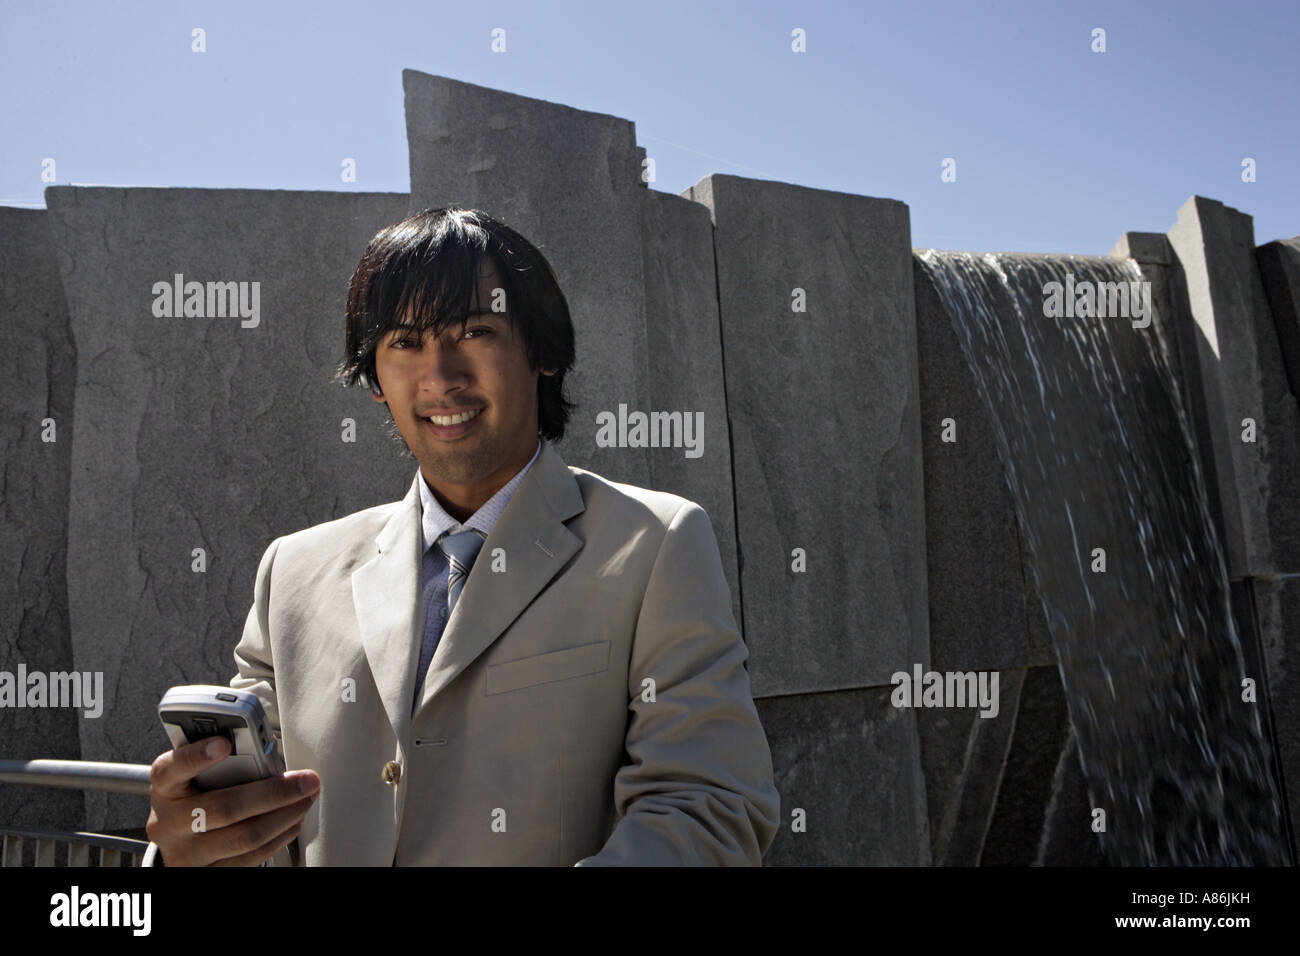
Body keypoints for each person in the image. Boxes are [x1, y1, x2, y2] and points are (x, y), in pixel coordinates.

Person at [145, 207, 779, 865]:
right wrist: (193, 840)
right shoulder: (292, 572)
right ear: (374, 381)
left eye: (475, 331)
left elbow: (711, 806)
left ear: (545, 352)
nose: (442, 376)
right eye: (404, 342)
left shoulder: (655, 544)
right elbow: (246, 817)